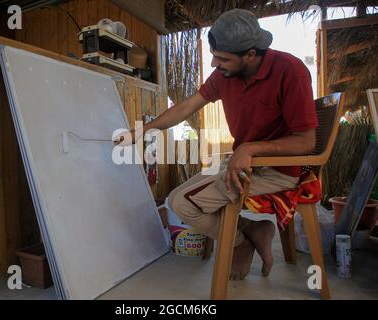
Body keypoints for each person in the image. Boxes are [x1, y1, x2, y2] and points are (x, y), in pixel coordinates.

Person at [114, 9, 318, 280]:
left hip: (277, 171)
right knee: (176, 200)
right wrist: (142, 130)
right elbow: (186, 106)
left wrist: (249, 149)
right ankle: (251, 232)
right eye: (214, 54)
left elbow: (306, 142)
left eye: (222, 58)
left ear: (251, 54)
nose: (213, 63)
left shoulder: (291, 72)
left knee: (181, 204)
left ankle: (239, 243)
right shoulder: (225, 75)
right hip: (243, 163)